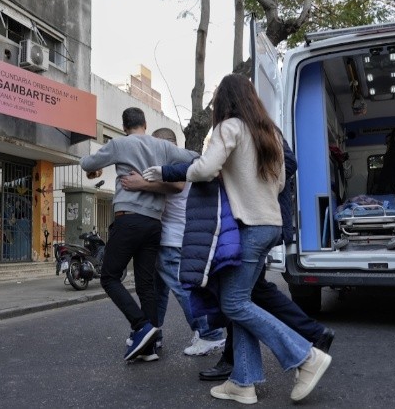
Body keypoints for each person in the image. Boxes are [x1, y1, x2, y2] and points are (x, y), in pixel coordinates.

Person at [144, 74, 332, 404]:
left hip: (248, 227)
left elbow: (205, 169)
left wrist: (169, 171)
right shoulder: (270, 132)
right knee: (240, 302)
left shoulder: (229, 127)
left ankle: (306, 358)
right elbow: (281, 181)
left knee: (233, 303)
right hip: (269, 224)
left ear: (224, 101)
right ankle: (242, 381)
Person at [199, 128, 335, 381]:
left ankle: (302, 354)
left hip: (255, 222)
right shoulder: (251, 127)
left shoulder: (257, 127)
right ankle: (245, 373)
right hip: (256, 222)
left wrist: (247, 178)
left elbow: (289, 163)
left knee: (237, 297)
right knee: (250, 292)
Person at [80, 107, 198, 362]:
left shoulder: (121, 144)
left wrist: (95, 169)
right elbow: (193, 156)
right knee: (147, 285)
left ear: (124, 127)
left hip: (129, 220)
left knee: (109, 277)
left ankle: (141, 325)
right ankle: (150, 347)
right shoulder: (163, 146)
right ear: (145, 123)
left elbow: (87, 163)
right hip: (154, 224)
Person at [120, 128, 226, 356]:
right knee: (157, 292)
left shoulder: (175, 164)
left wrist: (141, 184)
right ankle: (151, 335)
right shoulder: (179, 162)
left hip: (172, 239)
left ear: (164, 146)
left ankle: (209, 333)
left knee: (182, 289)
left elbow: (177, 186)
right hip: (170, 237)